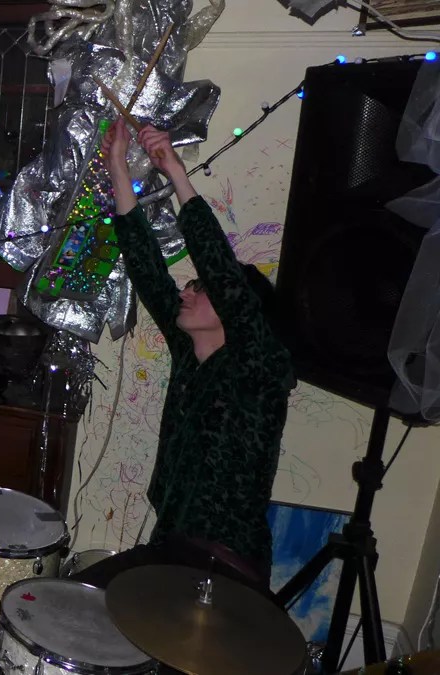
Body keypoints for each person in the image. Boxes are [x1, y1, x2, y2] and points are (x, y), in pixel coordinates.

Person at [71, 119, 296, 592]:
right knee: (74, 602)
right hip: (174, 550)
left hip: (224, 567)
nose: (187, 292)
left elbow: (221, 268)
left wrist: (175, 171)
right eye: (190, 286)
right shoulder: (191, 356)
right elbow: (146, 265)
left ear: (238, 311)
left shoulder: (257, 366)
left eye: (200, 288)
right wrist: (117, 166)